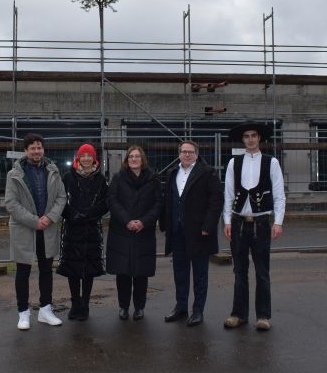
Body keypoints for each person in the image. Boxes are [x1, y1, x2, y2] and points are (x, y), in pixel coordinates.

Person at [222, 120, 285, 331]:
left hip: (262, 223)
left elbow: (279, 195)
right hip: (239, 222)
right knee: (239, 271)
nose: (250, 139)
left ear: (259, 138)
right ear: (243, 139)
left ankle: (263, 316)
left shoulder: (271, 162)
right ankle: (238, 314)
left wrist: (278, 222)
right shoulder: (234, 163)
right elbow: (229, 194)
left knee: (262, 272)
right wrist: (227, 221)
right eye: (247, 136)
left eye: (254, 136)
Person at [5, 132, 67, 330]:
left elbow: (61, 198)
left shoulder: (53, 172)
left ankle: (45, 310)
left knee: (46, 270)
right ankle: (23, 313)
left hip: (47, 229)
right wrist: (34, 221)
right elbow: (11, 204)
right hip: (25, 229)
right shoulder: (14, 175)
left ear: (43, 149)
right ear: (25, 151)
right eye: (32, 148)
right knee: (23, 271)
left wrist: (49, 218)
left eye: (39, 147)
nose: (36, 151)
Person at [161, 140, 224, 327]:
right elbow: (168, 201)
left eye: (190, 152)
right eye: (183, 151)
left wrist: (208, 226)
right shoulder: (172, 172)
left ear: (197, 154)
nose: (187, 154)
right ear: (179, 153)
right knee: (180, 272)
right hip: (177, 231)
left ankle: (198, 310)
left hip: (199, 232)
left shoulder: (207, 172)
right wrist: (165, 225)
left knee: (199, 274)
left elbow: (216, 200)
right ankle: (181, 307)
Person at [106, 146, 164, 321]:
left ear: (142, 159)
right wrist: (128, 221)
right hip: (122, 231)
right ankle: (123, 307)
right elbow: (112, 200)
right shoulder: (118, 177)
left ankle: (139, 307)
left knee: (141, 272)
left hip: (143, 232)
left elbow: (158, 203)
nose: (134, 159)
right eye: (131, 156)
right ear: (126, 159)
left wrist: (144, 222)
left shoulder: (153, 179)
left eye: (137, 156)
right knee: (123, 272)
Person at [56, 144, 108, 321]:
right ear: (78, 158)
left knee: (89, 268)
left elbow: (105, 202)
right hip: (72, 228)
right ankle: (75, 303)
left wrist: (90, 214)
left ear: (94, 158)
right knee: (73, 268)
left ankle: (85, 304)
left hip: (92, 229)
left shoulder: (100, 178)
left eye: (89, 155)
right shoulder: (68, 177)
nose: (86, 159)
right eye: (83, 155)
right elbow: (60, 200)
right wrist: (72, 215)